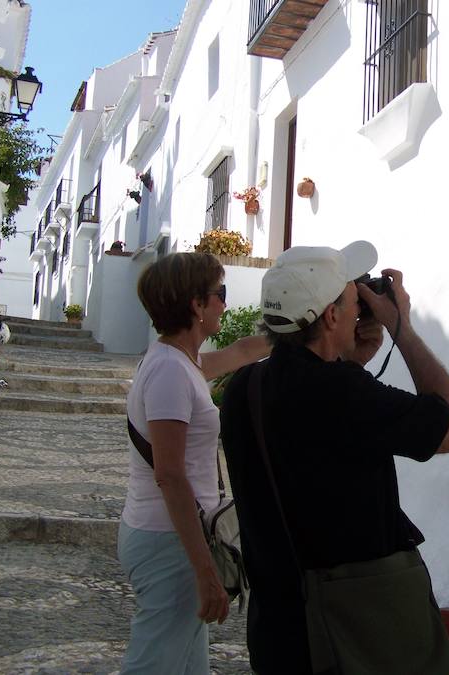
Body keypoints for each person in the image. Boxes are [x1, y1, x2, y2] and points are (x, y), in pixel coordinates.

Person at [220, 241, 449, 674]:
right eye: (353, 300)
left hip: (280, 632)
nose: (361, 308)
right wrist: (403, 331)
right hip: (355, 633)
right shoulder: (342, 393)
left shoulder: (244, 388)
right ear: (331, 316)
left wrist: (350, 363)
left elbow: (319, 443)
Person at [119, 251, 270, 674]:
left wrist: (301, 330)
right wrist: (205, 571)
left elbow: (241, 351)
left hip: (170, 536)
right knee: (154, 663)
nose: (224, 302)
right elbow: (169, 474)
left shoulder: (181, 362)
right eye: (218, 294)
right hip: (170, 542)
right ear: (196, 305)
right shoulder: (170, 371)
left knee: (186, 664)